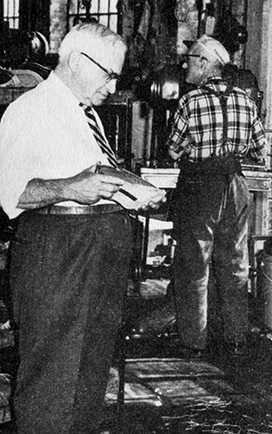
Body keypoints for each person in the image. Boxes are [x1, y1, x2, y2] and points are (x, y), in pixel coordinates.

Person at [0, 23, 162, 434]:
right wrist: (72, 188)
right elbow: (10, 193)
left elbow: (91, 174)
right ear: (75, 60)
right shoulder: (30, 110)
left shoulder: (83, 112)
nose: (112, 85)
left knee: (89, 375)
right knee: (54, 377)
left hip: (96, 249)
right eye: (108, 74)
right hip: (59, 252)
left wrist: (128, 186)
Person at [167, 35, 267, 358]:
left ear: (206, 64)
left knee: (194, 265)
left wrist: (189, 149)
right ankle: (236, 337)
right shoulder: (246, 102)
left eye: (192, 60)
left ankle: (194, 343)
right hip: (235, 184)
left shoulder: (190, 102)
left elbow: (172, 149)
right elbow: (259, 148)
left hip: (201, 183)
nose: (187, 65)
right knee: (236, 263)